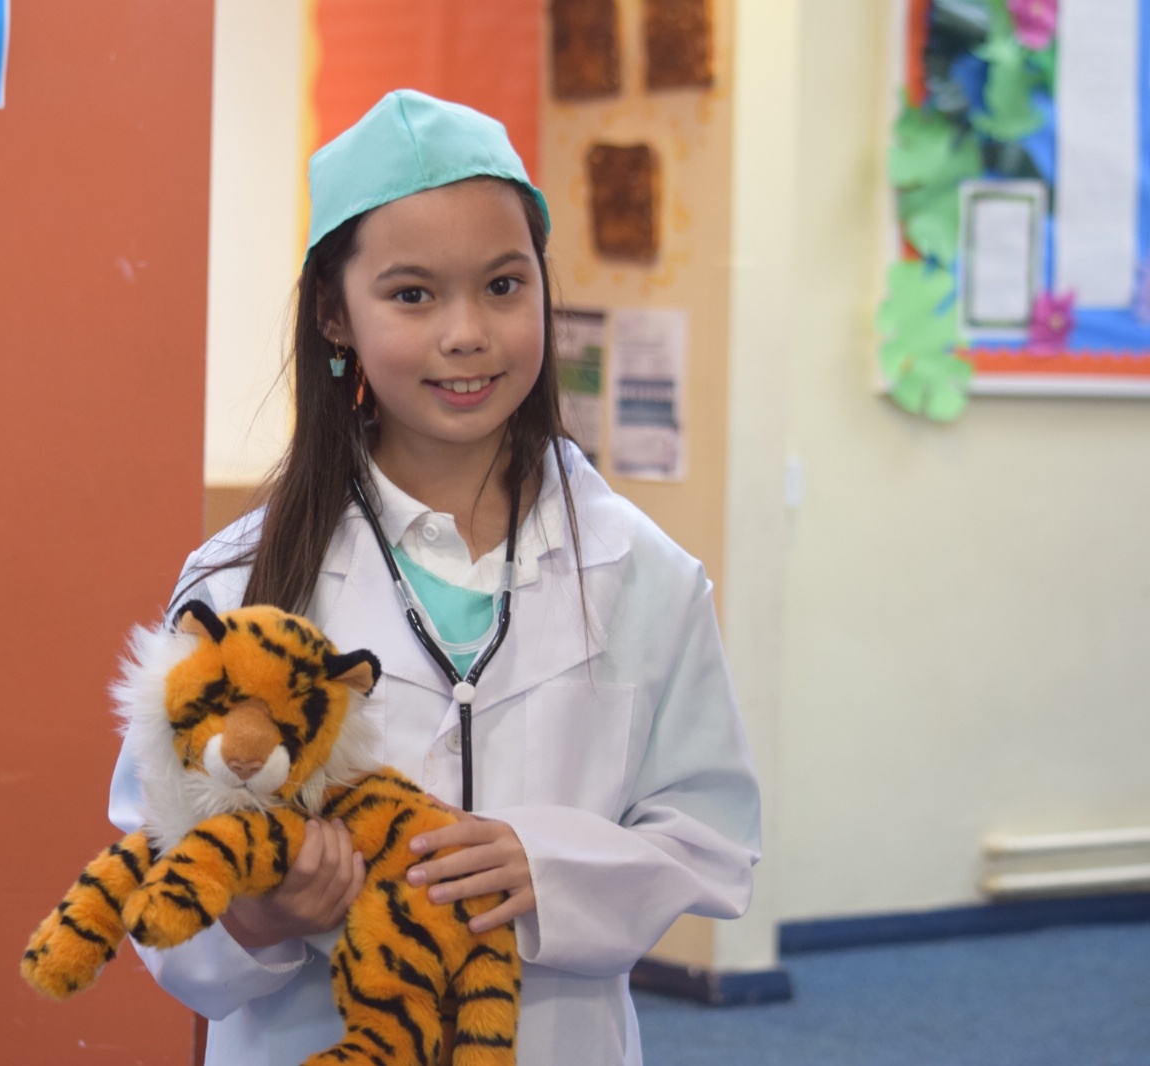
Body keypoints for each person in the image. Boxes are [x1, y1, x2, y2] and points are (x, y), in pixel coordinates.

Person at [107, 89, 761, 1065]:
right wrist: (260, 915)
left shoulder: (642, 572)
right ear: (334, 313)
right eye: (413, 295)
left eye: (503, 285)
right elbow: (155, 870)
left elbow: (711, 833)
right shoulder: (240, 586)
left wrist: (550, 866)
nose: (467, 333)